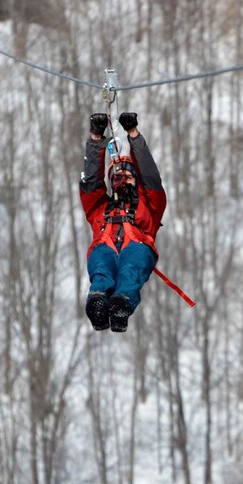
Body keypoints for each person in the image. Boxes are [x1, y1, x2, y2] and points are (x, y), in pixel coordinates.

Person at [79, 112, 166, 332]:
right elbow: (90, 182)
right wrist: (96, 139)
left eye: (128, 176)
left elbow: (150, 176)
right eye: (117, 177)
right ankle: (98, 301)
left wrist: (133, 135)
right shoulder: (99, 207)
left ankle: (121, 303)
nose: (123, 179)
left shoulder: (151, 206)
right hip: (105, 247)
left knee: (131, 267)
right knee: (101, 267)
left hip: (136, 247)